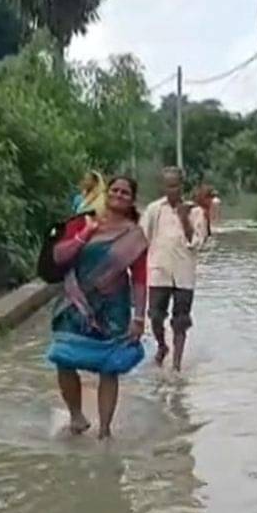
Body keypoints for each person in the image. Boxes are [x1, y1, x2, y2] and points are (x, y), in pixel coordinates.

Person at [47, 176, 149, 439]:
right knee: (62, 356)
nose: (118, 195)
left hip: (114, 307)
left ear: (132, 200)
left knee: (109, 366)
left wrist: (139, 316)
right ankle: (77, 416)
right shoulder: (83, 221)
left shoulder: (134, 235)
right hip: (76, 302)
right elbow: (59, 256)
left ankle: (105, 430)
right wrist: (85, 235)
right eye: (114, 190)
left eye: (125, 192)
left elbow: (139, 278)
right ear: (106, 193)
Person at [141, 167, 208, 372]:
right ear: (163, 187)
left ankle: (177, 365)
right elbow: (145, 237)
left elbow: (196, 243)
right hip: (159, 272)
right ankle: (162, 346)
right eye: (169, 185)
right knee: (155, 315)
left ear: (182, 186)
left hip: (184, 274)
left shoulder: (196, 212)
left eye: (176, 185)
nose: (173, 190)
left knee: (181, 320)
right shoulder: (154, 210)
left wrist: (184, 218)